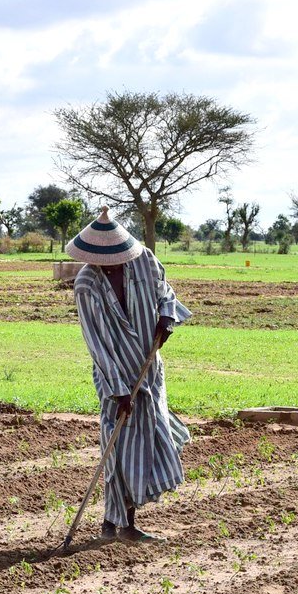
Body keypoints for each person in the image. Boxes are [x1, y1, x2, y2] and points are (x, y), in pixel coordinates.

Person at [67, 207, 192, 544]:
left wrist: (166, 319)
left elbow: (167, 294)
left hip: (149, 372)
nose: (112, 265)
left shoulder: (145, 261)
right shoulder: (86, 284)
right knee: (117, 444)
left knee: (148, 442)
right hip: (114, 377)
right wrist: (119, 390)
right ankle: (113, 524)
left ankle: (127, 522)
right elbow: (98, 345)